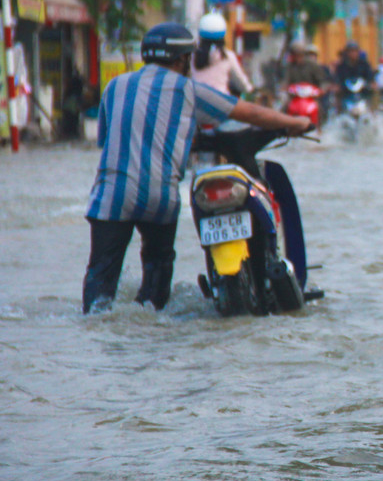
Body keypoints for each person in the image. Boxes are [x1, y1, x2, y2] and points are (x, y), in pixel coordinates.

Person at [82, 22, 312, 315]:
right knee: (156, 271)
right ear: (182, 59)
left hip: (110, 197)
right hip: (159, 197)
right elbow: (248, 112)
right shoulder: (188, 89)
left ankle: (99, 330)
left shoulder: (115, 86)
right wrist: (296, 123)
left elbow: (106, 139)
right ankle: (150, 318)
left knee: (100, 279)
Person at [190, 12, 254, 96]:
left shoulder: (191, 55)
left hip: (196, 101)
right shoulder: (227, 56)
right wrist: (250, 88)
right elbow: (243, 84)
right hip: (221, 104)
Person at [332, 41, 372, 112]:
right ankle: (338, 111)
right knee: (336, 95)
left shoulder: (364, 64)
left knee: (375, 92)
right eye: (350, 51)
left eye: (355, 51)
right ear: (347, 53)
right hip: (346, 92)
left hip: (362, 91)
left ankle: (373, 112)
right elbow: (337, 78)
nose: (353, 53)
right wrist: (337, 86)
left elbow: (370, 76)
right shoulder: (341, 66)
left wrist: (372, 84)